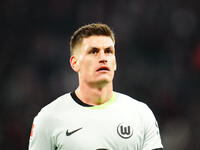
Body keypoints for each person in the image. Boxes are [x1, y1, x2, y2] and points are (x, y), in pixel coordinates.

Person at [28, 23, 163, 150]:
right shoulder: (48, 118)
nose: (103, 57)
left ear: (115, 63)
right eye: (93, 51)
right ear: (75, 63)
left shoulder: (141, 114)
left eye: (109, 51)